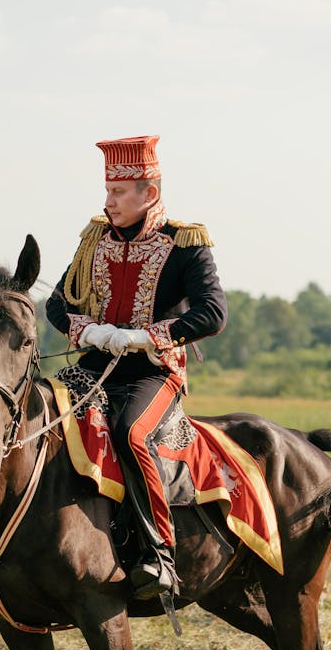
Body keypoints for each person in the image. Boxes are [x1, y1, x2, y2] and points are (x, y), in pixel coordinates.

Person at [46, 135, 228, 600]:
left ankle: (160, 553)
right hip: (94, 362)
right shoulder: (94, 240)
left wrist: (146, 336)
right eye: (106, 193)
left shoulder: (186, 243)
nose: (108, 203)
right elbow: (55, 303)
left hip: (153, 370)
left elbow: (212, 313)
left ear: (148, 194)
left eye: (118, 194)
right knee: (36, 414)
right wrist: (87, 332)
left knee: (130, 433)